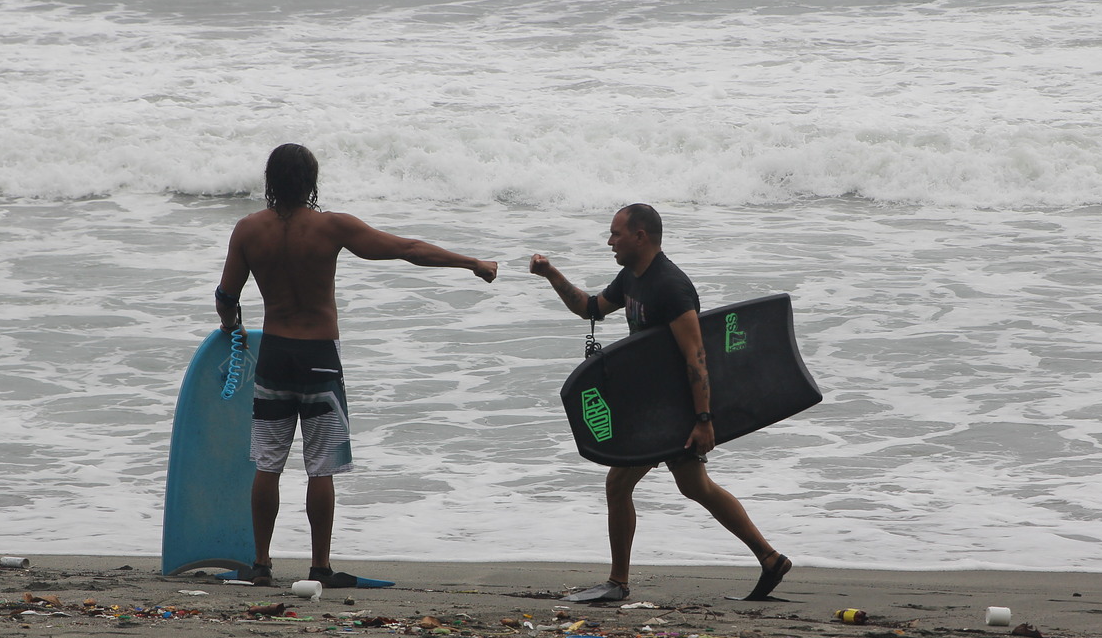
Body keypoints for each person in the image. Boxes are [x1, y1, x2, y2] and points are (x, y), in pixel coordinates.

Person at [216, 143, 498, 588]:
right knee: (320, 466)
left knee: (268, 464)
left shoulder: (248, 230)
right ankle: (319, 567)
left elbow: (226, 297)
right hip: (318, 360)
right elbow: (406, 248)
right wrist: (471, 263)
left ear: (270, 181)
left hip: (273, 357)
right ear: (311, 182)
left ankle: (263, 564)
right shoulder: (331, 227)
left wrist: (231, 328)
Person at [529, 203, 791, 603]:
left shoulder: (670, 286)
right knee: (695, 486)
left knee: (619, 484)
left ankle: (618, 583)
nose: (609, 241)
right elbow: (589, 308)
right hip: (658, 404)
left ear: (640, 236)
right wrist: (551, 274)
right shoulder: (632, 278)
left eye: (616, 233)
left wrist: (703, 420)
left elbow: (696, 356)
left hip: (673, 409)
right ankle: (770, 558)